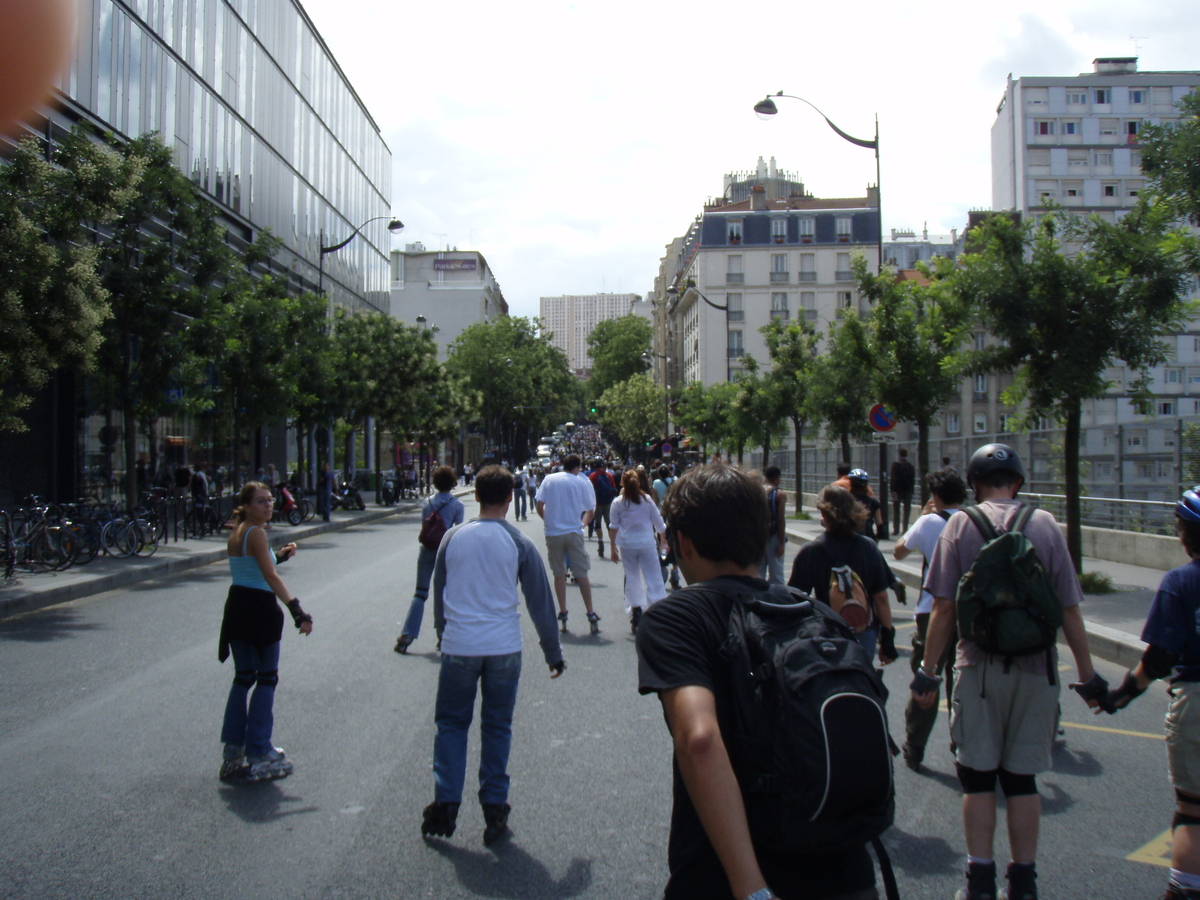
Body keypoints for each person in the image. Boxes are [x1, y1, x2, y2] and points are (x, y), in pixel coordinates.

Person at [636, 463, 879, 900]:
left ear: (683, 542)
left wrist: (752, 890)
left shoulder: (679, 617)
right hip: (845, 867)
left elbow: (700, 740)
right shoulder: (816, 614)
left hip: (728, 875)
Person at [913, 443, 1105, 900]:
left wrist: (927, 672)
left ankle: (979, 880)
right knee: (1022, 780)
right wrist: (1088, 674)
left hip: (978, 668)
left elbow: (943, 607)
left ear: (975, 484)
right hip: (1037, 670)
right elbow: (1069, 610)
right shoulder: (1044, 525)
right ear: (1017, 482)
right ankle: (1023, 882)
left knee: (977, 777)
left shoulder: (960, 524)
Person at [421, 465, 565, 844]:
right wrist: (553, 652)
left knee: (451, 725)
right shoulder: (519, 543)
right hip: (504, 648)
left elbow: (441, 592)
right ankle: (495, 806)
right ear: (509, 497)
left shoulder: (453, 538)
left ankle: (446, 803)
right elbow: (539, 602)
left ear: (478, 495)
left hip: (459, 646)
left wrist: (442, 633)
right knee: (497, 726)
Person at [1095, 486, 1200, 900]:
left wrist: (1122, 695)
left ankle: (1185, 890)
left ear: (1185, 535)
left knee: (1193, 810)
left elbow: (1159, 659)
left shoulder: (1180, 583)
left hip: (1196, 699)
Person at [217, 482, 311, 781]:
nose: (268, 505)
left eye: (270, 500)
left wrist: (280, 556)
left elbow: (255, 566)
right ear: (246, 505)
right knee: (267, 678)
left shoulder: (239, 530)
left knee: (243, 678)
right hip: (259, 611)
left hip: (237, 608)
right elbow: (269, 576)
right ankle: (259, 750)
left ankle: (233, 752)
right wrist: (297, 611)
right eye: (260, 502)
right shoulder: (256, 533)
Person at [892, 466, 967, 771]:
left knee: (927, 677)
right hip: (968, 612)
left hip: (931, 611)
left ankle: (915, 746)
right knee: (962, 681)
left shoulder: (927, 522)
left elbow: (898, 552)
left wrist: (921, 518)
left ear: (935, 495)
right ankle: (962, 743)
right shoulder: (975, 521)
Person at [789, 485, 896, 665]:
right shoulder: (868, 547)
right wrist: (887, 638)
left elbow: (796, 599)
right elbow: (881, 597)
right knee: (861, 680)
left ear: (823, 515)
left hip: (826, 631)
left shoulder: (811, 551)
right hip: (863, 630)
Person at [396, 465, 465, 654]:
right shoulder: (457, 505)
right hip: (445, 551)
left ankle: (407, 635)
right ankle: (442, 635)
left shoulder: (427, 503)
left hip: (427, 549)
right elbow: (458, 531)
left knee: (420, 593)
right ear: (452, 483)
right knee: (444, 594)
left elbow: (424, 526)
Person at [536, 454, 599, 633]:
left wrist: (547, 520)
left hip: (553, 532)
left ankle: (563, 611)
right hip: (573, 531)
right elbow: (590, 510)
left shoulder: (549, 479)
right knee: (581, 573)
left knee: (558, 574)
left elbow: (540, 505)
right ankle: (590, 612)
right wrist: (582, 524)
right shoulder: (581, 481)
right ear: (577, 467)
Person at [609, 468, 668, 633]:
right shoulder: (647, 499)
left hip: (627, 545)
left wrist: (613, 548)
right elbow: (659, 523)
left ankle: (636, 611)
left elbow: (614, 527)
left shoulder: (618, 502)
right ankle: (658, 612)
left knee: (633, 578)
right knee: (654, 578)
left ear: (622, 483)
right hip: (647, 544)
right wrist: (663, 539)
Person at [758, 465, 788, 585]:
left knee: (758, 573)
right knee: (776, 574)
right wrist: (781, 543)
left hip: (758, 537)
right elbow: (780, 519)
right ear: (778, 478)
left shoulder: (756, 491)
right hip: (774, 536)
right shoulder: (779, 494)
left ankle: (758, 599)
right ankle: (777, 599)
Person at [588, 458, 619, 562]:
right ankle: (613, 546)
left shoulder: (593, 476)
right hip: (608, 503)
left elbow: (590, 490)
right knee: (609, 524)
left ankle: (600, 542)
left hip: (597, 504)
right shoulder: (609, 476)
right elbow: (613, 488)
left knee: (598, 524)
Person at [848, 469, 883, 542]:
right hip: (868, 539)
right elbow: (880, 528)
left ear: (851, 483)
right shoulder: (873, 503)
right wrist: (875, 543)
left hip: (848, 540)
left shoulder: (845, 501)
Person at [889, 448, 915, 537]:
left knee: (896, 510)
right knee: (907, 510)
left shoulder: (896, 465)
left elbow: (893, 479)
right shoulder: (910, 466)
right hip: (908, 491)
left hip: (897, 490)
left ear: (899, 455)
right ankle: (905, 529)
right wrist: (912, 490)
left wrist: (892, 490)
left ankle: (896, 529)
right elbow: (912, 479)